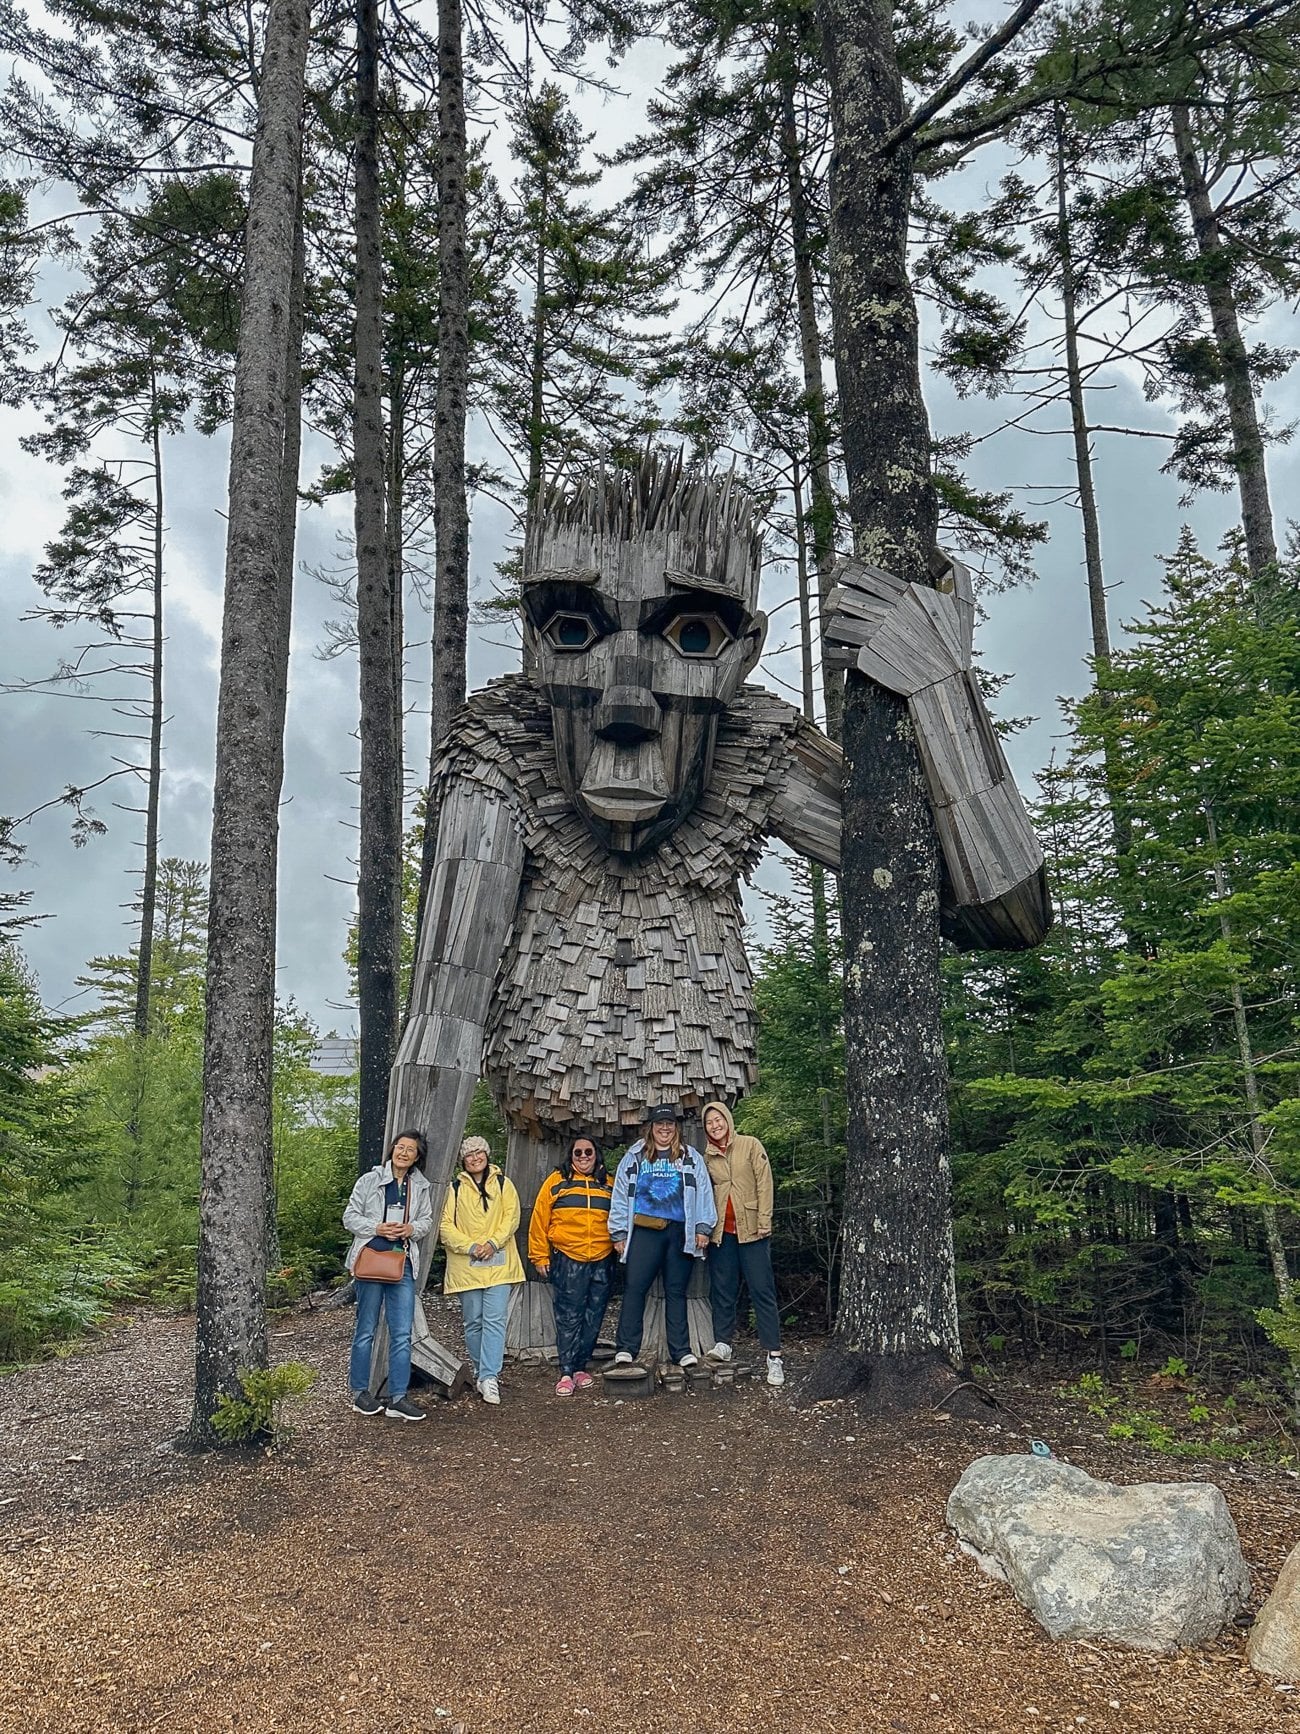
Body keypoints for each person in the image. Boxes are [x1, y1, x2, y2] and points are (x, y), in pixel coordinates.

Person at [608, 1104, 716, 1370]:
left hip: (680, 1230)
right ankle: (626, 1347)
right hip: (645, 1230)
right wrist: (618, 1232)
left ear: (676, 1127)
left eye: (669, 1124)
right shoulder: (636, 1156)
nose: (665, 1128)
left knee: (676, 1290)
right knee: (635, 1287)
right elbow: (621, 1194)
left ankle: (681, 1350)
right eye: (660, 1124)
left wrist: (703, 1228)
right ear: (651, 1128)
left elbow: (703, 1192)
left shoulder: (690, 1157)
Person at [343, 1128, 435, 1421]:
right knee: (366, 1329)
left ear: (417, 1157)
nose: (403, 1152)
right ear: (392, 1149)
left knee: (401, 1332)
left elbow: (427, 1221)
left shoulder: (419, 1186)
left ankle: (398, 1397)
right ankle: (360, 1392)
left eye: (410, 1149)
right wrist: (377, 1227)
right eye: (400, 1146)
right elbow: (350, 1216)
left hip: (402, 1262)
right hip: (371, 1259)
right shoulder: (370, 1180)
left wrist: (411, 1229)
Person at [701, 1101, 784, 1387]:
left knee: (762, 1290)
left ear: (728, 1120)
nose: (715, 1125)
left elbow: (764, 1182)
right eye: (709, 1122)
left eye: (718, 1119)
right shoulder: (707, 1157)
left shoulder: (750, 1145)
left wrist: (765, 1219)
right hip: (722, 1234)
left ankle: (774, 1355)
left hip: (752, 1231)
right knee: (723, 1290)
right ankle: (723, 1342)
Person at [440, 1135, 524, 1405]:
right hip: (466, 1266)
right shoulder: (453, 1189)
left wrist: (492, 1243)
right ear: (462, 1161)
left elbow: (511, 1217)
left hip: (499, 1263)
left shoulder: (503, 1184)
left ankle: (490, 1376)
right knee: (474, 1321)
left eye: (479, 1153)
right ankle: (480, 1371)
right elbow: (445, 1227)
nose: (475, 1158)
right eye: (469, 1154)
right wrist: (471, 1246)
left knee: (496, 1320)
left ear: (487, 1155)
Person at [528, 1134, 615, 1396]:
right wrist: (539, 1256)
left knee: (594, 1314)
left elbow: (621, 1216)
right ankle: (565, 1371)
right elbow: (539, 1219)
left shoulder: (608, 1184)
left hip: (602, 1257)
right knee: (569, 1316)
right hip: (568, 1257)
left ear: (596, 1154)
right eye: (578, 1153)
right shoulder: (557, 1182)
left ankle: (580, 1367)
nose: (584, 1157)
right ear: (571, 1156)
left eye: (589, 1152)